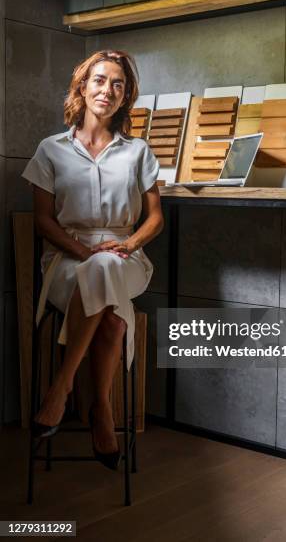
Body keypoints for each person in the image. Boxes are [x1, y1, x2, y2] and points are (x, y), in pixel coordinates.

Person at [21, 49, 163, 470]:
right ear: (82, 87)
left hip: (125, 256)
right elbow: (44, 222)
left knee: (107, 270)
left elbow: (155, 219)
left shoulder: (138, 152)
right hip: (66, 259)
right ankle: (101, 407)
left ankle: (62, 388)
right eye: (100, 80)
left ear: (126, 97)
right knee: (114, 315)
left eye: (118, 84)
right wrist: (84, 252)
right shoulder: (51, 149)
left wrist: (129, 244)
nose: (108, 89)